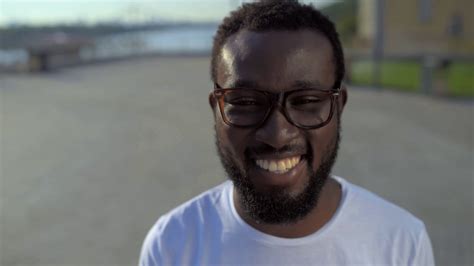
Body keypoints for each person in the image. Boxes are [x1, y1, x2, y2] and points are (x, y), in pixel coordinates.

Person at [139, 1, 435, 265]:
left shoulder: (402, 242)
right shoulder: (171, 245)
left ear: (339, 106)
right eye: (245, 102)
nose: (277, 135)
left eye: (306, 101)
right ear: (216, 110)